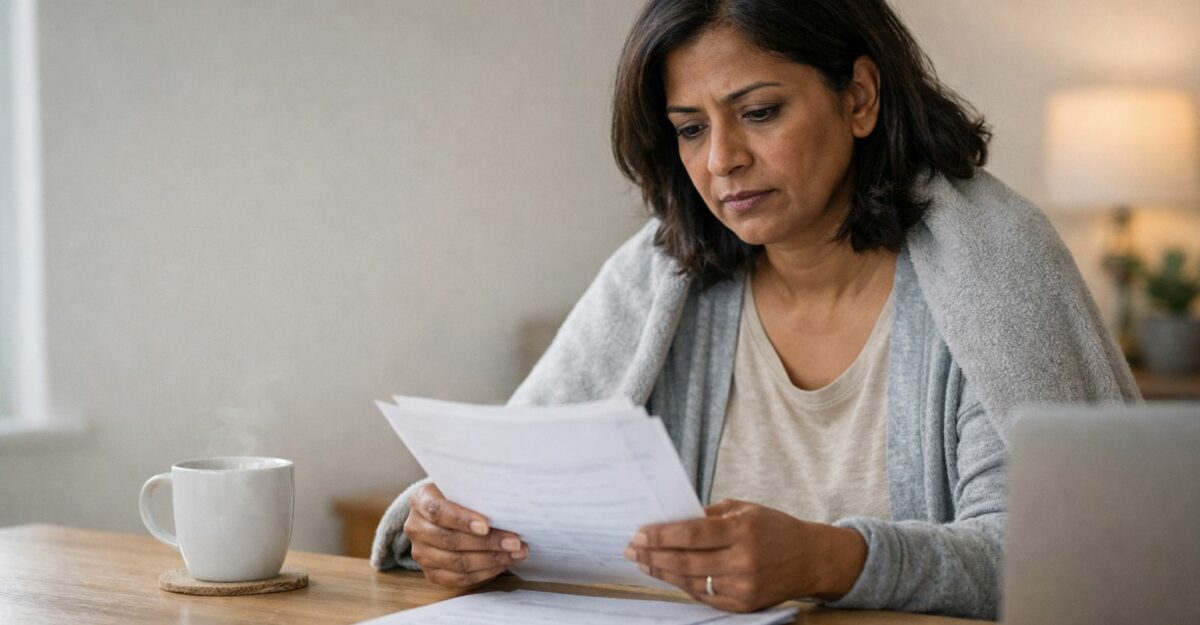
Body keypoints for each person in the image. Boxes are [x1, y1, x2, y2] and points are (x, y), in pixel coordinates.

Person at [370, 0, 1139, 619]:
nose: (721, 159)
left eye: (760, 111)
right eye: (691, 129)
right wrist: (448, 531)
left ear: (860, 98)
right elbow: (498, 475)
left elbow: (1055, 558)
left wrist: (828, 559)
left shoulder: (994, 264)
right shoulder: (657, 275)